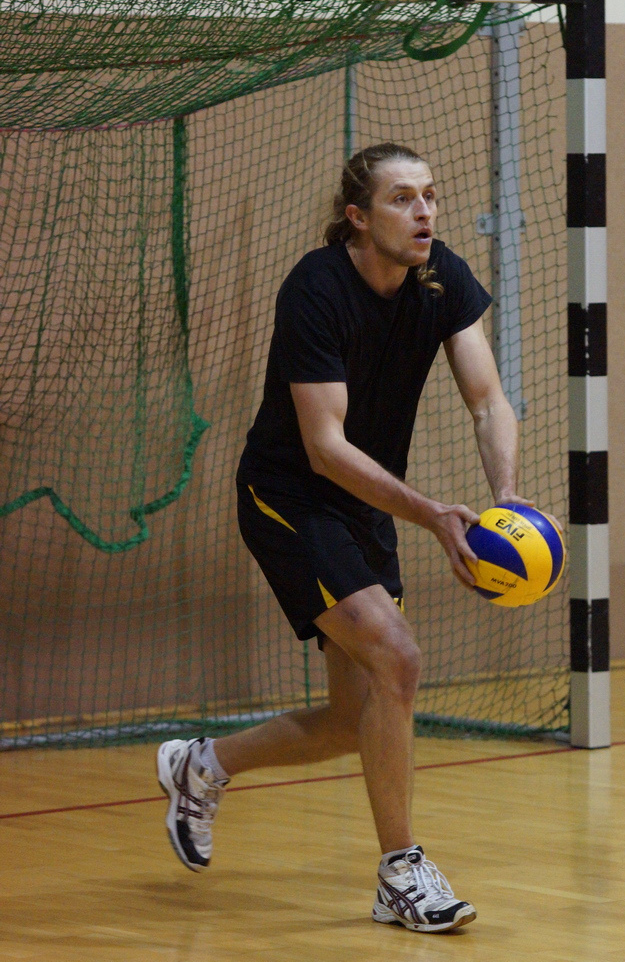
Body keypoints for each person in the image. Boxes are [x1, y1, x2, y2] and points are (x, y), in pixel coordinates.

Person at [157, 142, 533, 934]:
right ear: (358, 217)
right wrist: (430, 513)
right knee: (399, 656)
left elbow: (488, 400)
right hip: (290, 497)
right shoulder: (316, 289)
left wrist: (505, 502)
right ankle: (401, 872)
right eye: (403, 198)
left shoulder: (442, 276)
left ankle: (202, 765)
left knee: (349, 717)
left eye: (430, 195)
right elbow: (325, 447)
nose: (424, 211)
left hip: (361, 509)